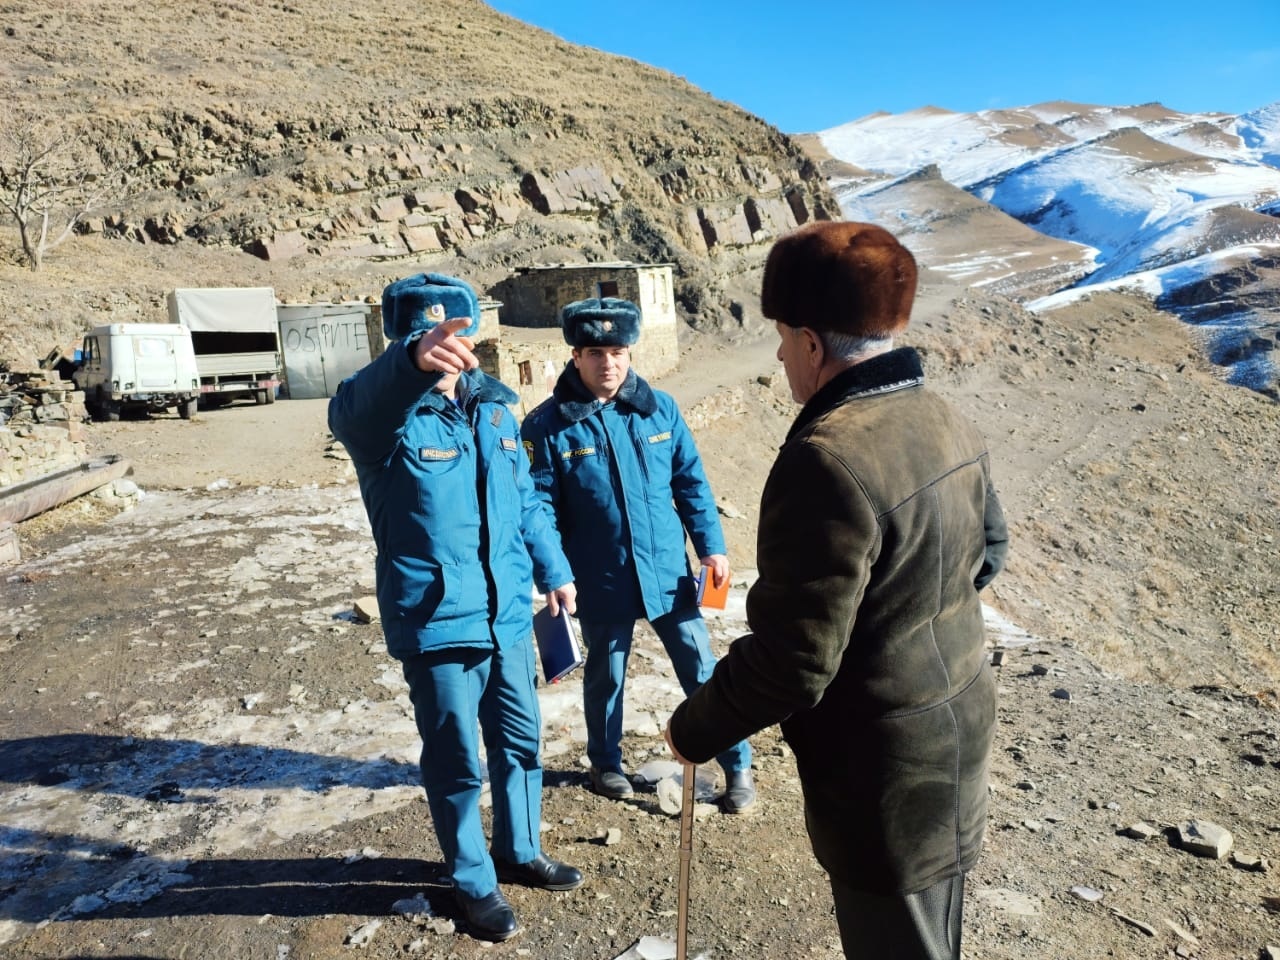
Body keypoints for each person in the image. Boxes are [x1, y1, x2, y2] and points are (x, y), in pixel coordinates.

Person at [665, 221, 1009, 960]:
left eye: (784, 339)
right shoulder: (944, 418)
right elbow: (988, 555)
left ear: (813, 344)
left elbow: (796, 660)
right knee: (933, 932)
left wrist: (694, 727)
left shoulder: (826, 459)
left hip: (885, 772)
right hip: (956, 729)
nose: (782, 357)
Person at [328, 273, 584, 944]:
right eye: (425, 335)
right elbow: (354, 409)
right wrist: (409, 364)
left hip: (506, 614)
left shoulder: (496, 408)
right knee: (456, 760)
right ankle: (473, 882)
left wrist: (553, 570)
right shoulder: (380, 420)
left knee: (522, 743)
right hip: (438, 617)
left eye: (454, 334)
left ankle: (519, 849)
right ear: (405, 338)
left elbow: (525, 498)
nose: (444, 346)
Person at [520, 297, 757, 814]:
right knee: (606, 675)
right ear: (576, 356)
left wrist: (712, 548)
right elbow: (535, 507)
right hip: (598, 576)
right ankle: (606, 763)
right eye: (596, 352)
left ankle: (737, 766)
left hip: (667, 572)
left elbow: (691, 482)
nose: (609, 363)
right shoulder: (546, 426)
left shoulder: (660, 409)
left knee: (701, 670)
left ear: (631, 352)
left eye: (619, 351)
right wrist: (555, 573)